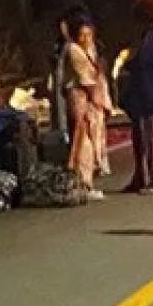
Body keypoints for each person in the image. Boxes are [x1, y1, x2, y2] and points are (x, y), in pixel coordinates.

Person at [119, 0, 153, 194]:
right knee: (141, 137)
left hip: (149, 94)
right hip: (144, 94)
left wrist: (127, 63)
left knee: (151, 138)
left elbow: (142, 62)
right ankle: (141, 177)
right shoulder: (151, 35)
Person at [61, 17, 110, 194]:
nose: (86, 38)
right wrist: (97, 98)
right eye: (82, 35)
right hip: (82, 100)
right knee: (83, 142)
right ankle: (83, 183)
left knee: (93, 140)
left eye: (89, 34)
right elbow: (86, 78)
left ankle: (87, 182)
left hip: (91, 100)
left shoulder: (89, 49)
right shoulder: (74, 50)